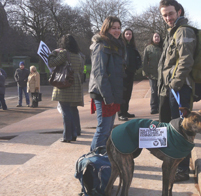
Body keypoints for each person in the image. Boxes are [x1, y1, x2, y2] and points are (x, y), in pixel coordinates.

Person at [158, 0, 196, 182]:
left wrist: (175, 84)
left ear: (179, 11)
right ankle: (176, 163)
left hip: (179, 89)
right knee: (172, 128)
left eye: (171, 13)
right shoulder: (172, 32)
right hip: (172, 88)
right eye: (164, 15)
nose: (168, 17)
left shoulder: (183, 31)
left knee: (181, 130)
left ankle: (182, 169)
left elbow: (186, 60)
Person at [89, 16, 125, 151]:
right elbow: (99, 73)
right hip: (102, 94)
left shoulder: (115, 45)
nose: (117, 31)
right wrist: (108, 97)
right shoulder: (101, 45)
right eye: (113, 28)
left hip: (111, 93)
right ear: (106, 28)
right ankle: (94, 160)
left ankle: (102, 157)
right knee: (103, 129)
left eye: (119, 28)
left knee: (108, 129)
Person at [48, 34, 84, 143]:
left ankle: (67, 136)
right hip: (76, 84)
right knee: (73, 110)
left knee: (65, 111)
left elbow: (51, 63)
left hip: (65, 84)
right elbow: (81, 70)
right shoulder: (79, 55)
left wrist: (54, 52)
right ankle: (74, 133)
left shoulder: (64, 53)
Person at [118, 28, 141, 121]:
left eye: (130, 34)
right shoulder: (121, 46)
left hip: (131, 72)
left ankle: (125, 111)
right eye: (127, 34)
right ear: (123, 35)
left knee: (128, 93)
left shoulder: (132, 46)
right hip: (123, 73)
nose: (128, 36)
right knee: (122, 94)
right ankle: (120, 113)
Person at [142, 33, 163, 114]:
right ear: (152, 38)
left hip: (162, 74)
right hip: (152, 74)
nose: (157, 38)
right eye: (155, 36)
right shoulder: (148, 48)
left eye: (158, 36)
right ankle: (154, 108)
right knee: (154, 91)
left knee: (162, 91)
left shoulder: (163, 47)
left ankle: (161, 107)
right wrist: (145, 72)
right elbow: (145, 61)